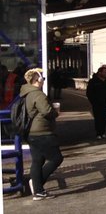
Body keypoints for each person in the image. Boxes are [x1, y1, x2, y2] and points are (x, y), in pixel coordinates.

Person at [21, 67, 64, 201]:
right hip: (42, 131)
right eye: (43, 78)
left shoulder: (26, 93)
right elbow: (46, 111)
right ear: (38, 80)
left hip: (32, 133)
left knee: (37, 161)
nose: (44, 80)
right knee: (56, 158)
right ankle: (37, 185)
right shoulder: (38, 94)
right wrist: (55, 112)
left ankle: (38, 191)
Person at [86, 64, 106, 139]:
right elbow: (89, 93)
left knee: (104, 118)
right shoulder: (93, 81)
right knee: (98, 118)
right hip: (97, 103)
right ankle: (98, 133)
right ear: (100, 73)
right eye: (104, 72)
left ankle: (103, 132)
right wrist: (93, 102)